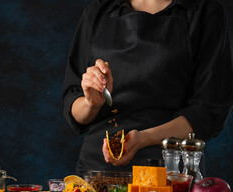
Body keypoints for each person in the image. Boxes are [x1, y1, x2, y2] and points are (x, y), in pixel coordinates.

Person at [62, 0, 233, 176]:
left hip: (170, 172)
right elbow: (73, 102)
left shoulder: (204, 12)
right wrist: (91, 104)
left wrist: (143, 138)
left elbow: (208, 112)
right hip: (97, 173)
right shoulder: (98, 11)